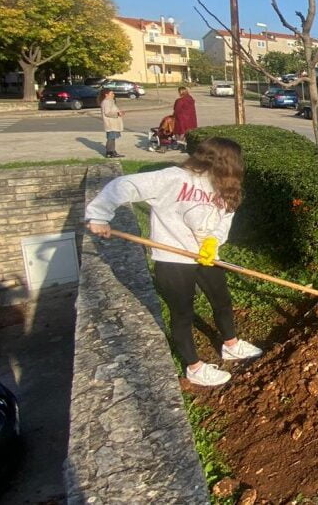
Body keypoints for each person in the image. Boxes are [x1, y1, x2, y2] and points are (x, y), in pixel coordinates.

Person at [84, 137, 262, 387]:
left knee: (222, 300)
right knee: (182, 313)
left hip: (206, 256)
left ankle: (231, 345)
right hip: (174, 258)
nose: (240, 166)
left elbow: (224, 220)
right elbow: (123, 185)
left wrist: (213, 242)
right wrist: (99, 215)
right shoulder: (174, 178)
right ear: (224, 161)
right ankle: (194, 367)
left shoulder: (225, 186)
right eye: (237, 161)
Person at [99, 88, 125, 158]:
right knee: (111, 137)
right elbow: (107, 113)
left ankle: (112, 151)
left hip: (112, 122)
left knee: (112, 138)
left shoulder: (110, 101)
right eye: (112, 93)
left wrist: (119, 112)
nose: (113, 95)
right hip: (111, 123)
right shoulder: (106, 102)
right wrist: (117, 113)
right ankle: (109, 152)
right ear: (106, 94)